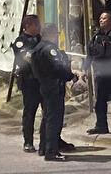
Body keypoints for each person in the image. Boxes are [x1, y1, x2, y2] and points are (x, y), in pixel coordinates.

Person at [25, 24, 78, 161]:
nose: (57, 36)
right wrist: (70, 76)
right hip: (53, 86)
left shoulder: (38, 48)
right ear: (50, 34)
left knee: (47, 118)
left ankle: (44, 147)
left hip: (45, 86)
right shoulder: (49, 49)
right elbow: (58, 68)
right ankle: (51, 151)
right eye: (56, 33)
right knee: (54, 120)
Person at [12, 17, 43, 153]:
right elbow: (26, 57)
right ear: (28, 25)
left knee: (49, 112)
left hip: (43, 80)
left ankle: (51, 140)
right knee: (30, 112)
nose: (38, 27)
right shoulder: (20, 42)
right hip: (29, 81)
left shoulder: (40, 39)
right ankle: (28, 141)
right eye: (36, 24)